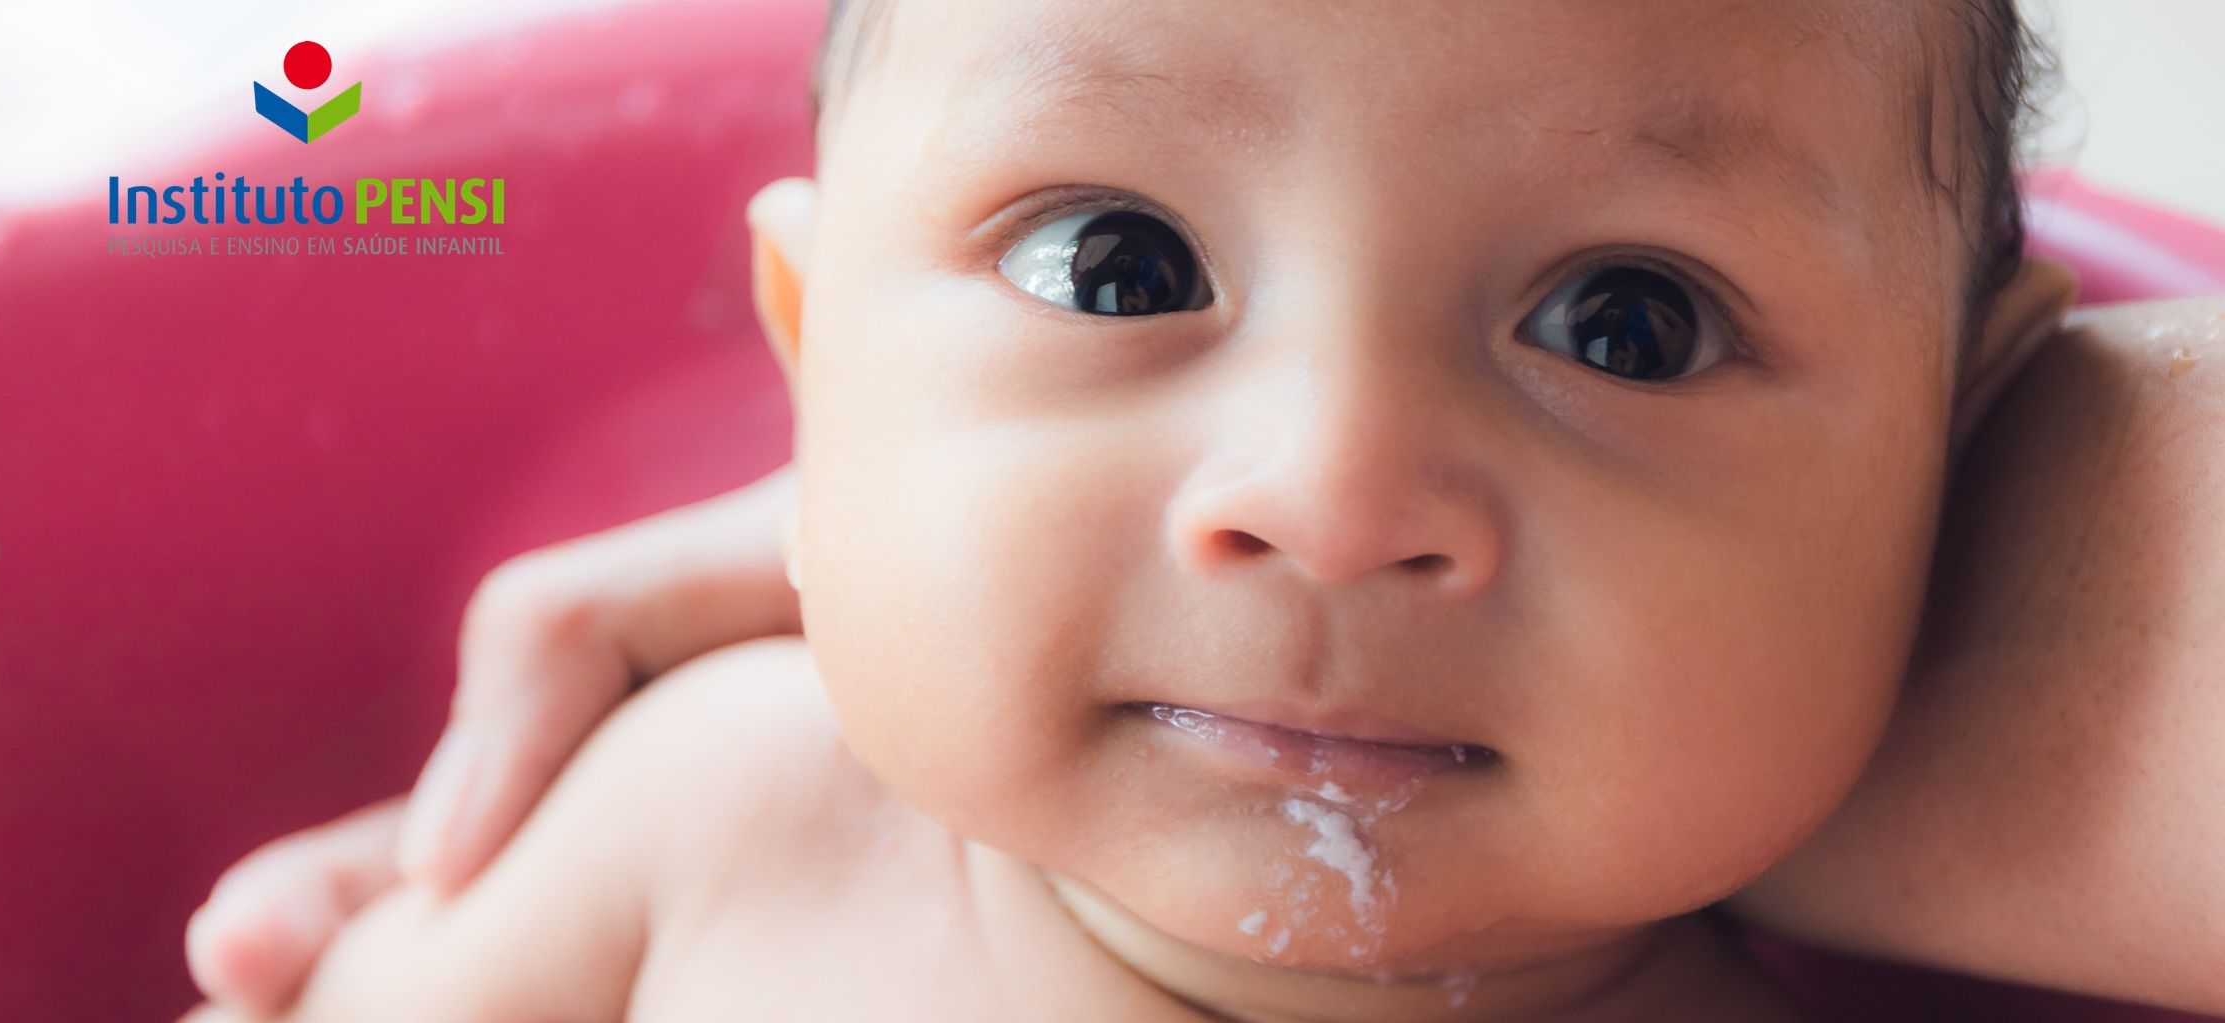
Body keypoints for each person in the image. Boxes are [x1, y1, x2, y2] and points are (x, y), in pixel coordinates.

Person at [182, 0, 2225, 1018]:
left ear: (1952, 446)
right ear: (818, 364)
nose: (1333, 495)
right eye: (1116, 267)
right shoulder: (705, 823)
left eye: (1630, 323)